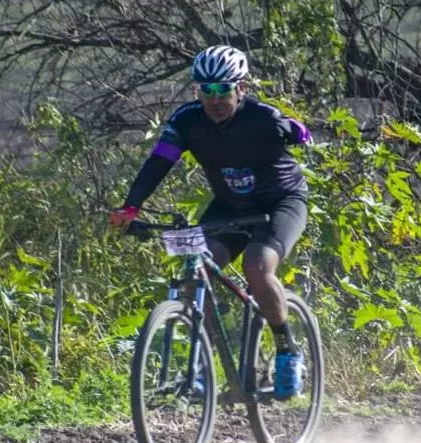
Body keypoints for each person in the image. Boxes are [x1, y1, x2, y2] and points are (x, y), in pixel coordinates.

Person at [109, 44, 312, 400]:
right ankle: (204, 367)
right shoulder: (187, 121)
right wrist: (131, 207)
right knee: (196, 272)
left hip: (281, 202)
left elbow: (298, 130)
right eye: (205, 90)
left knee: (257, 266)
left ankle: (287, 350)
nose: (214, 99)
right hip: (230, 206)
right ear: (196, 91)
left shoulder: (261, 117)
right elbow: (159, 162)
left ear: (241, 89)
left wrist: (296, 129)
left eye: (222, 90)